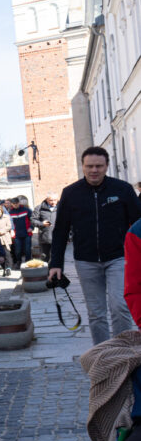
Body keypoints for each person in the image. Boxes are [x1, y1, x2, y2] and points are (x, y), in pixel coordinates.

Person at [50, 146, 141, 344]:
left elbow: (138, 224)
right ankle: (102, 354)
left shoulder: (123, 189)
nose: (94, 170)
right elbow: (60, 230)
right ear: (82, 166)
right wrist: (55, 263)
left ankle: (123, 351)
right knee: (96, 313)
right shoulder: (70, 193)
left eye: (99, 166)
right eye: (89, 166)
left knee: (120, 306)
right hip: (86, 261)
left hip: (119, 258)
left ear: (107, 166)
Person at [8, 197, 33, 268]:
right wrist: (11, 231)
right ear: (12, 204)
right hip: (16, 235)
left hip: (27, 233)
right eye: (14, 204)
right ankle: (19, 262)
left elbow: (33, 219)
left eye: (16, 203)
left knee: (27, 250)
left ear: (19, 203)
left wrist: (31, 227)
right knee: (17, 250)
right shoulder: (10, 212)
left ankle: (28, 262)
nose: (15, 205)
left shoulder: (26, 210)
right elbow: (9, 223)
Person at [0, 204, 14, 276]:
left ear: (1, 211)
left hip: (5, 238)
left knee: (7, 254)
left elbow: (9, 226)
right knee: (0, 255)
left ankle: (8, 268)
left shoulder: (6, 217)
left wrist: (3, 231)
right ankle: (4, 268)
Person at [33, 194, 57, 261]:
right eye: (51, 200)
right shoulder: (39, 208)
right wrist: (42, 224)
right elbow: (33, 220)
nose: (53, 202)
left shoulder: (61, 207)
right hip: (45, 238)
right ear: (47, 200)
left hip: (57, 238)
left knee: (57, 258)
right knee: (45, 258)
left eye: (55, 200)